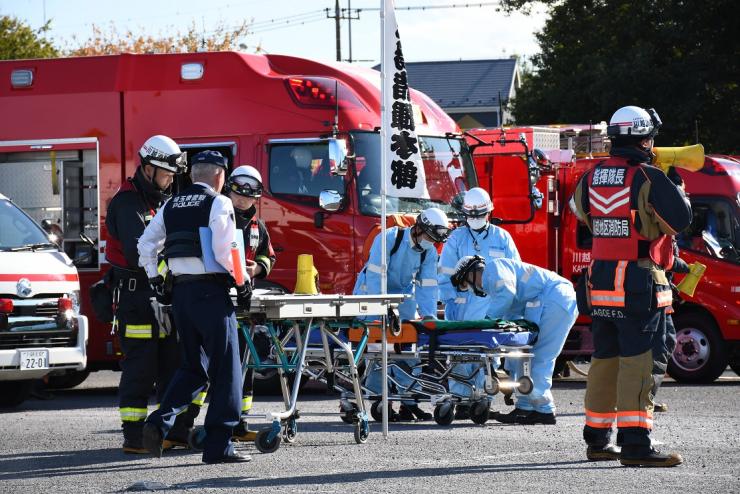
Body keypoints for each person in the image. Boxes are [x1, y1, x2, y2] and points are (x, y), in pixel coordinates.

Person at [570, 105, 691, 467]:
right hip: (638, 282)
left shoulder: (590, 177)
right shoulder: (649, 176)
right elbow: (680, 220)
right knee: (641, 362)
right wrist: (677, 191)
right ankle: (636, 445)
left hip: (602, 280)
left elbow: (583, 215)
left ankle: (597, 440)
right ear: (644, 138)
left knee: (605, 361)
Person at [138, 150, 252, 464]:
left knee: (193, 367)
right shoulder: (219, 202)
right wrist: (241, 283)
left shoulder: (170, 205)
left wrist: (156, 279)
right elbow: (226, 247)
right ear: (220, 176)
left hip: (182, 296)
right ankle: (219, 446)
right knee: (226, 370)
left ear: (191, 175)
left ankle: (158, 422)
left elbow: (145, 244)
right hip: (211, 295)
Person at [105, 134, 189, 454]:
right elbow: (139, 255)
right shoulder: (128, 204)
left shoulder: (159, 202)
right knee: (140, 369)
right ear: (149, 168)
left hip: (161, 298)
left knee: (172, 364)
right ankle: (135, 436)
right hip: (137, 300)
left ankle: (166, 432)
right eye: (166, 173)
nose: (170, 180)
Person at [450, 255, 577, 425]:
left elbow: (506, 295)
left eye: (466, 283)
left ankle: (544, 410)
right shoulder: (499, 285)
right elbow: (512, 323)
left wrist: (488, 321)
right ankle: (525, 407)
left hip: (554, 299)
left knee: (538, 356)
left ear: (471, 273)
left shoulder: (494, 269)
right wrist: (509, 369)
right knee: (523, 354)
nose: (470, 289)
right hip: (550, 300)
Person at [354, 207, 451, 421]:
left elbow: (427, 286)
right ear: (418, 229)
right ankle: (380, 399)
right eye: (429, 237)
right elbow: (375, 275)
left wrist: (428, 316)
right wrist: (381, 307)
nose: (430, 242)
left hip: (403, 299)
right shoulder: (388, 238)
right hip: (372, 295)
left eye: (434, 240)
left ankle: (409, 400)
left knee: (408, 350)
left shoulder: (429, 251)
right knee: (379, 350)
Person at [438, 187, 519, 418]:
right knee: (459, 354)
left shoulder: (502, 238)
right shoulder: (456, 238)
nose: (474, 219)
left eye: (478, 215)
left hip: (491, 308)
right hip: (461, 307)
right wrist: (451, 298)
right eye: (470, 215)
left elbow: (514, 272)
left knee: (487, 357)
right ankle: (461, 400)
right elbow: (444, 275)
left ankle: (484, 398)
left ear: (488, 213)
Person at [225, 165, 277, 442]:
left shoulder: (258, 225)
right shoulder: (218, 216)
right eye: (239, 192)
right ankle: (198, 424)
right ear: (229, 188)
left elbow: (269, 256)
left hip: (245, 302)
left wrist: (256, 269)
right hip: (219, 299)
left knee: (245, 364)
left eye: (250, 195)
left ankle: (239, 424)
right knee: (217, 366)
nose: (243, 199)